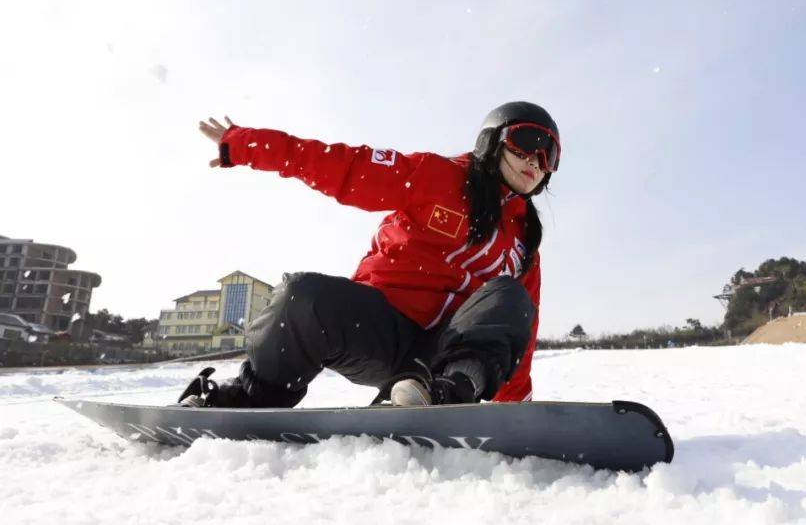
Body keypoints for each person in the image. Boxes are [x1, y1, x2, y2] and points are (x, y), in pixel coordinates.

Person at [176, 102, 560, 408]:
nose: (535, 162)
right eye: (527, 143)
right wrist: (247, 144)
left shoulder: (525, 241)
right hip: (378, 331)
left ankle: (441, 394)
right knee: (300, 296)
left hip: (446, 353)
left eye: (549, 156)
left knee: (511, 298)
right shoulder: (436, 177)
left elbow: (522, 333)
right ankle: (254, 397)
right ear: (491, 142)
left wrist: (519, 412)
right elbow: (346, 168)